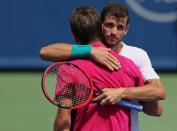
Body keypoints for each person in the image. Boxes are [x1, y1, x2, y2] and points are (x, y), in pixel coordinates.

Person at [40, 2, 165, 131]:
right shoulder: (85, 54)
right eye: (109, 25)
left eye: (120, 27)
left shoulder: (136, 56)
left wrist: (121, 92)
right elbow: (44, 52)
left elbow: (157, 101)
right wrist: (91, 51)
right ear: (100, 26)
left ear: (126, 30)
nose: (114, 32)